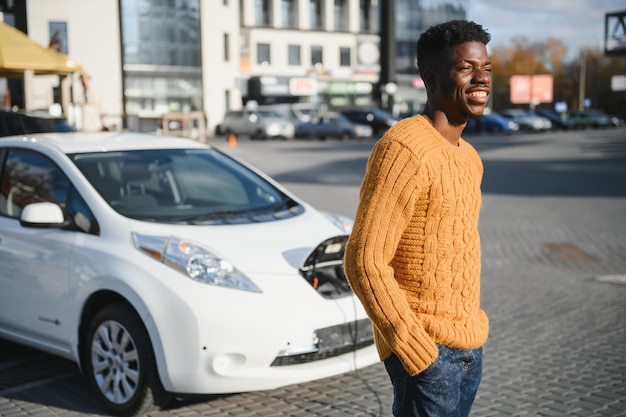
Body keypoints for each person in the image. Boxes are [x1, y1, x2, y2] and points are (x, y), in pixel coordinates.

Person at [344, 20, 492, 417]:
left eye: (486, 68)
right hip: (427, 354)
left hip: (469, 347)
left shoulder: (469, 157)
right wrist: (413, 347)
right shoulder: (404, 149)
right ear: (430, 77)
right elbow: (363, 259)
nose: (481, 78)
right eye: (466, 67)